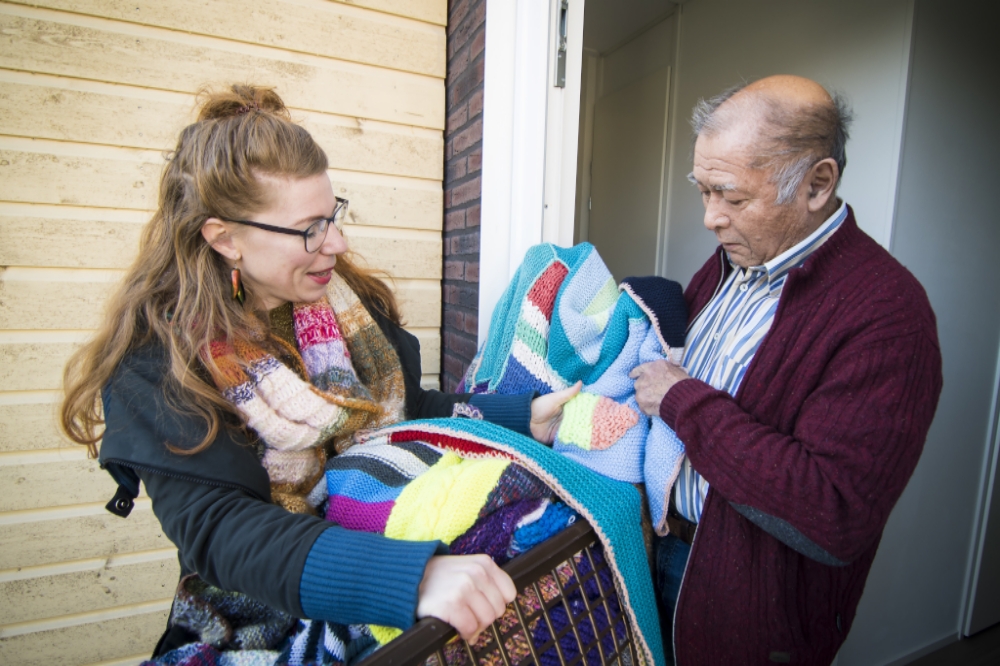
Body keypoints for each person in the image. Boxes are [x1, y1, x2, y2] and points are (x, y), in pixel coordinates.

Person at [60, 84, 580, 660]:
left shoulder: (346, 306)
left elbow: (406, 412)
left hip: (390, 540)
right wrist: (407, 577)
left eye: (332, 215)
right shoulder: (160, 365)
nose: (336, 241)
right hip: (258, 615)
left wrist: (523, 415)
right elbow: (222, 529)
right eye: (309, 229)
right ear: (225, 238)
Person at [630, 75, 942, 665]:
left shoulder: (888, 314)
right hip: (666, 558)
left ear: (818, 184)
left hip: (753, 618)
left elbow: (834, 512)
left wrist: (683, 401)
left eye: (733, 197)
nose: (710, 219)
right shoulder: (732, 263)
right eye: (703, 191)